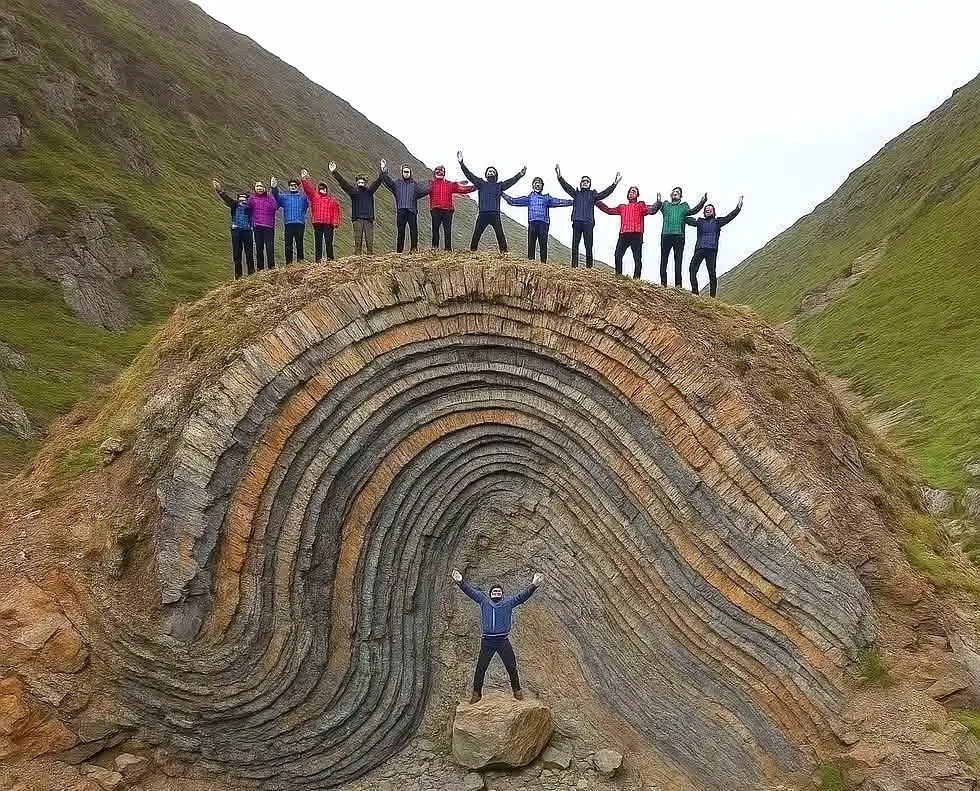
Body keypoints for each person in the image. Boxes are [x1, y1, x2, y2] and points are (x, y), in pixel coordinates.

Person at [451, 568, 543, 704]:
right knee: (481, 668)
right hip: (487, 641)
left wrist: (534, 585)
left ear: (502, 595)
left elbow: (522, 596)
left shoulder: (508, 603)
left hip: (503, 641)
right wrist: (460, 582)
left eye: (498, 592)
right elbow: (471, 592)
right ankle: (476, 693)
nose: (496, 593)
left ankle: (517, 691)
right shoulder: (484, 601)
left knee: (511, 666)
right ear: (490, 594)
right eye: (494, 592)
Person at [457, 151, 526, 252]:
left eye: (493, 171)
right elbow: (469, 175)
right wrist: (462, 163)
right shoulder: (481, 183)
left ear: (496, 174)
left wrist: (520, 175)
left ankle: (504, 254)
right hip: (483, 213)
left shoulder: (499, 186)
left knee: (500, 235)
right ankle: (472, 252)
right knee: (476, 234)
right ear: (486, 174)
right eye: (489, 171)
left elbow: (511, 181)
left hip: (495, 213)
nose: (490, 172)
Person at [555, 165, 621, 268]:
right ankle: (574, 267)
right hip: (577, 221)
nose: (585, 182)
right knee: (575, 245)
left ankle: (589, 268)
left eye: (587, 181)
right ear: (580, 184)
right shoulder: (576, 194)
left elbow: (604, 193)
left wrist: (614, 184)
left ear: (589, 184)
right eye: (583, 181)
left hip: (588, 223)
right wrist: (559, 177)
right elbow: (566, 187)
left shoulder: (593, 194)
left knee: (588, 246)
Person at [596, 187, 662, 279]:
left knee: (637, 258)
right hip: (624, 234)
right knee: (617, 255)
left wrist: (658, 203)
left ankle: (636, 279)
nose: (632, 193)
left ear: (637, 195)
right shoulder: (622, 207)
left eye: (634, 192)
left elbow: (651, 210)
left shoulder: (641, 205)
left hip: (636, 234)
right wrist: (597, 201)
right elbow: (608, 210)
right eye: (630, 192)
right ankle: (618, 276)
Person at [502, 177, 573, 263]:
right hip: (532, 222)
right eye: (536, 183)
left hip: (544, 223)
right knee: (531, 244)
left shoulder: (546, 198)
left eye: (539, 183)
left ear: (542, 186)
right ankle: (531, 263)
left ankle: (543, 264)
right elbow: (513, 201)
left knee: (543, 244)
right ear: (533, 185)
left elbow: (559, 202)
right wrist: (502, 194)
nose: (537, 184)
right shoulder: (530, 198)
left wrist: (573, 202)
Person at [686, 197, 743, 297]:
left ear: (713, 212)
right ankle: (695, 293)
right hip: (699, 249)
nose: (708, 210)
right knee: (692, 269)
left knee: (712, 273)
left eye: (710, 209)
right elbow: (688, 220)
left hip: (711, 250)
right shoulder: (700, 222)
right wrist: (681, 214)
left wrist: (738, 208)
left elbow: (730, 216)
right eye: (706, 209)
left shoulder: (718, 222)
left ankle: (712, 297)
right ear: (704, 212)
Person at [379, 159, 431, 252]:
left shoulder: (415, 184)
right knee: (400, 231)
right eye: (404, 172)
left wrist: (432, 187)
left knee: (413, 231)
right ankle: (399, 251)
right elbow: (388, 181)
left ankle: (414, 249)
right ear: (402, 172)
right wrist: (383, 170)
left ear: (410, 173)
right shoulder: (397, 183)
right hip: (401, 210)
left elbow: (424, 191)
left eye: (408, 172)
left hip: (412, 211)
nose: (406, 173)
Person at [330, 162, 382, 255]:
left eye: (362, 182)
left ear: (365, 183)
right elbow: (344, 183)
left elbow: (377, 183)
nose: (361, 183)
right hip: (357, 219)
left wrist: (383, 171)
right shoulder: (354, 192)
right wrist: (334, 172)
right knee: (358, 241)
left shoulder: (369, 192)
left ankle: (370, 256)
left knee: (369, 241)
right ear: (357, 182)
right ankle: (357, 257)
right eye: (359, 182)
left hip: (368, 219)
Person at [659, 187, 707, 288]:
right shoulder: (665, 205)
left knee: (678, 260)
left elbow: (693, 211)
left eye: (678, 192)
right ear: (671, 194)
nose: (675, 193)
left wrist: (702, 202)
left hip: (679, 236)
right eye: (674, 192)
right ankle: (663, 283)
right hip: (666, 235)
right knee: (664, 259)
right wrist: (658, 201)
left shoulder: (684, 206)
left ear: (681, 196)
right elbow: (655, 208)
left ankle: (678, 284)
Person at [212, 179, 254, 279]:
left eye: (244, 198)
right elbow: (226, 198)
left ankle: (251, 274)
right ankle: (238, 276)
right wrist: (219, 190)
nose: (242, 200)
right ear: (238, 199)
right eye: (240, 198)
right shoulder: (234, 205)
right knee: (237, 254)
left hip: (247, 231)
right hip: (236, 231)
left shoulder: (250, 208)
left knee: (249, 253)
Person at [428, 164, 476, 251]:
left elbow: (463, 190)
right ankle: (435, 248)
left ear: (444, 173)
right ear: (434, 173)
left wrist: (475, 187)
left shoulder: (449, 184)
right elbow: (420, 190)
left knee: (447, 230)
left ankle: (448, 249)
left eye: (441, 171)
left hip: (448, 211)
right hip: (435, 210)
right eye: (437, 171)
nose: (439, 172)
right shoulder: (430, 184)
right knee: (435, 229)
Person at [300, 170, 342, 263]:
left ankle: (330, 259)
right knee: (318, 242)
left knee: (328, 242)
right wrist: (304, 178)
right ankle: (318, 259)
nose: (323, 190)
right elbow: (308, 189)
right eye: (321, 188)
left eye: (324, 188)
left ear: (327, 190)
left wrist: (335, 222)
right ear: (318, 190)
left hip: (328, 224)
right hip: (317, 223)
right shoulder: (315, 197)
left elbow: (336, 212)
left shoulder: (332, 200)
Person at [271, 176, 310, 264]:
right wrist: (274, 187)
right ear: (289, 186)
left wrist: (306, 181)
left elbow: (310, 196)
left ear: (298, 187)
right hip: (288, 223)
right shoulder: (285, 197)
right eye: (291, 185)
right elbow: (276, 196)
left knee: (299, 243)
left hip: (300, 223)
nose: (293, 186)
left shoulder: (303, 198)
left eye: (295, 185)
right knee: (288, 245)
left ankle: (301, 262)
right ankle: (289, 264)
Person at [248, 180, 279, 270]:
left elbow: (275, 207)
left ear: (265, 188)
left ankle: (271, 268)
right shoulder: (252, 199)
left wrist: (273, 190)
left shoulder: (270, 198)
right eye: (257, 186)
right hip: (257, 226)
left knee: (270, 248)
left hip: (269, 227)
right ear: (255, 188)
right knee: (259, 248)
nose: (259, 188)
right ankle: (260, 269)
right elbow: (247, 209)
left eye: (261, 186)